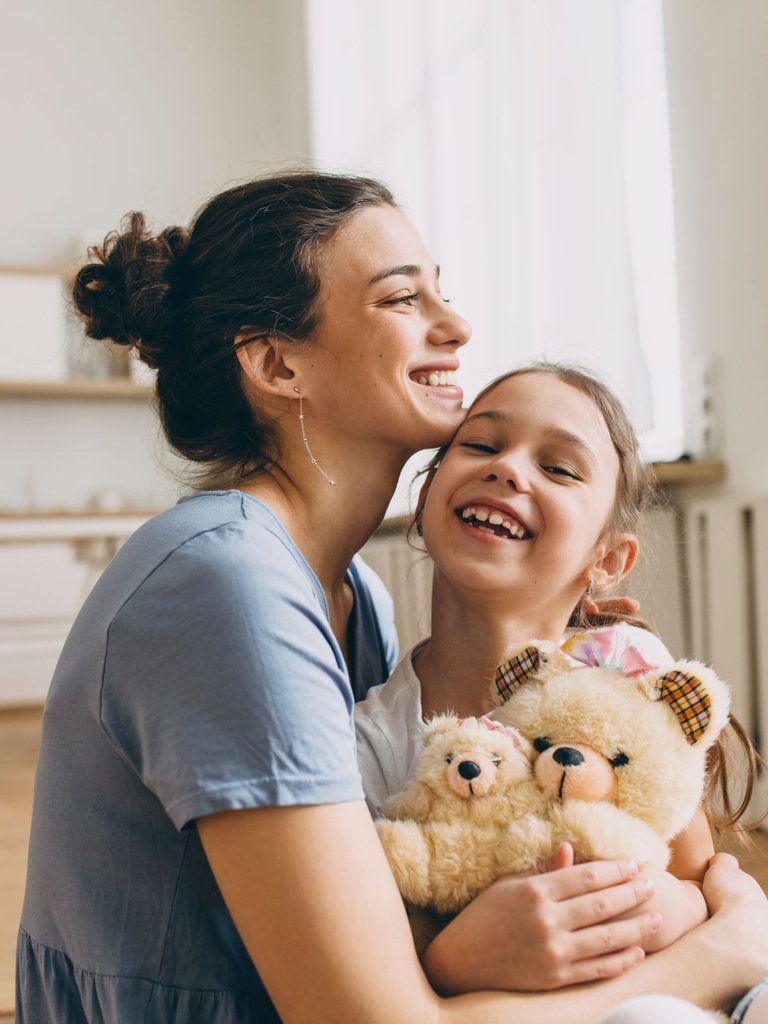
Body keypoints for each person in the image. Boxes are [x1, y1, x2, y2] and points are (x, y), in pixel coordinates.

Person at [16, 170, 768, 1024]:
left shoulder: (351, 594)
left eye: (440, 291)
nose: (454, 326)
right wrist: (719, 956)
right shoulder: (222, 586)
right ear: (276, 361)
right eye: (405, 297)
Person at [355, 362, 768, 1021]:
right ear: (428, 494)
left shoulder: (633, 680)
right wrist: (456, 958)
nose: (508, 469)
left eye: (560, 468)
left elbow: (697, 879)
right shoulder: (372, 744)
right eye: (483, 445)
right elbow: (385, 976)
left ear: (606, 559)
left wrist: (646, 911)